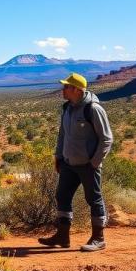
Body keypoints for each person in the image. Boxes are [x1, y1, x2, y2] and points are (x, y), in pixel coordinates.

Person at [38, 72, 114, 252]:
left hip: (88, 166)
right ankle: (62, 237)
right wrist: (58, 157)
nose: (63, 90)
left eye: (66, 87)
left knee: (94, 199)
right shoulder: (67, 108)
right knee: (62, 197)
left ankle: (98, 238)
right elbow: (62, 134)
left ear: (77, 90)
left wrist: (94, 163)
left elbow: (106, 139)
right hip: (68, 164)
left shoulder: (93, 109)